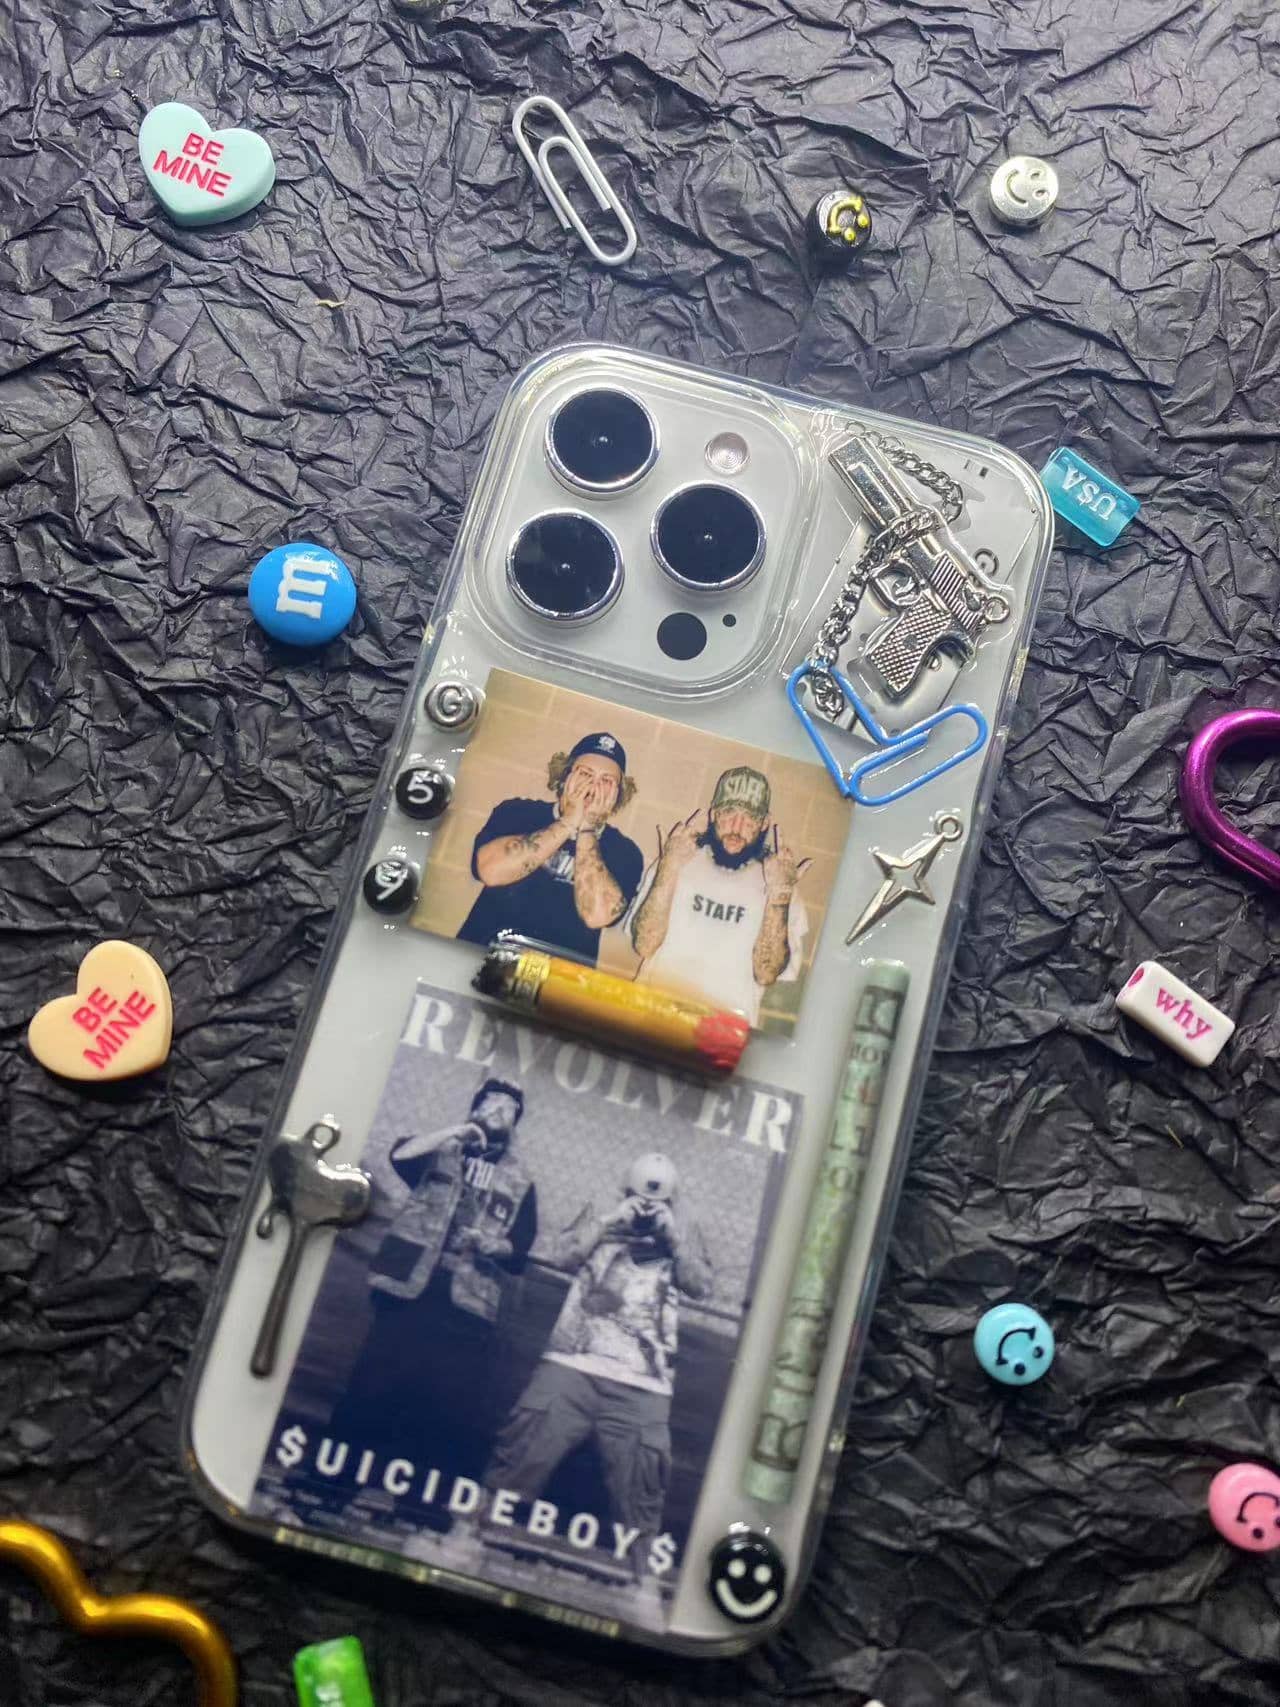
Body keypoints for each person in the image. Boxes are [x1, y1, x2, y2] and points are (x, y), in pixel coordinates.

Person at [481, 1153, 712, 1572]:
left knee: (641, 1486)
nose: (645, 1209)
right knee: (522, 1452)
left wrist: (674, 1239)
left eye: (659, 1202)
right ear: (624, 1192)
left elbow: (702, 1287)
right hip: (572, 1361)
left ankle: (642, 1585)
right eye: (637, 1198)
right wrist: (608, 1222)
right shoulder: (601, 1217)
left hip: (646, 1382)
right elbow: (559, 1257)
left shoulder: (683, 1232)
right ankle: (466, 1537)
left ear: (673, 1202)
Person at [328, 1077, 538, 1524]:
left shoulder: (522, 1181)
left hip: (467, 1305)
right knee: (371, 1388)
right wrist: (456, 1132)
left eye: (508, 1110)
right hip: (407, 1285)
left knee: (442, 1407)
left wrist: (491, 1244)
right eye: (491, 1102)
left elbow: (520, 1250)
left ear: (516, 1124)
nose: (498, 1112)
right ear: (475, 1106)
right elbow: (399, 1157)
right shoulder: (437, 1149)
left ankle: (419, 1510)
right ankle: (329, 1488)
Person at [628, 766, 810, 1025]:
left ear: (764, 824)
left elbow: (766, 974)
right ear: (714, 814)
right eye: (729, 813)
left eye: (749, 818)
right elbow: (644, 944)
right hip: (649, 1018)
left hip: (721, 1034)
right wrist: (668, 867)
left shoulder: (781, 883)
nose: (737, 827)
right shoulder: (677, 858)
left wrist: (780, 896)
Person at [457, 732, 643, 966]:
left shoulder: (626, 852)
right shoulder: (516, 811)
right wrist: (568, 822)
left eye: (606, 781)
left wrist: (587, 828)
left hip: (558, 980)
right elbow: (490, 871)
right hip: (482, 959)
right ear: (565, 776)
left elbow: (598, 915)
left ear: (618, 794)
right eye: (585, 774)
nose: (593, 787)